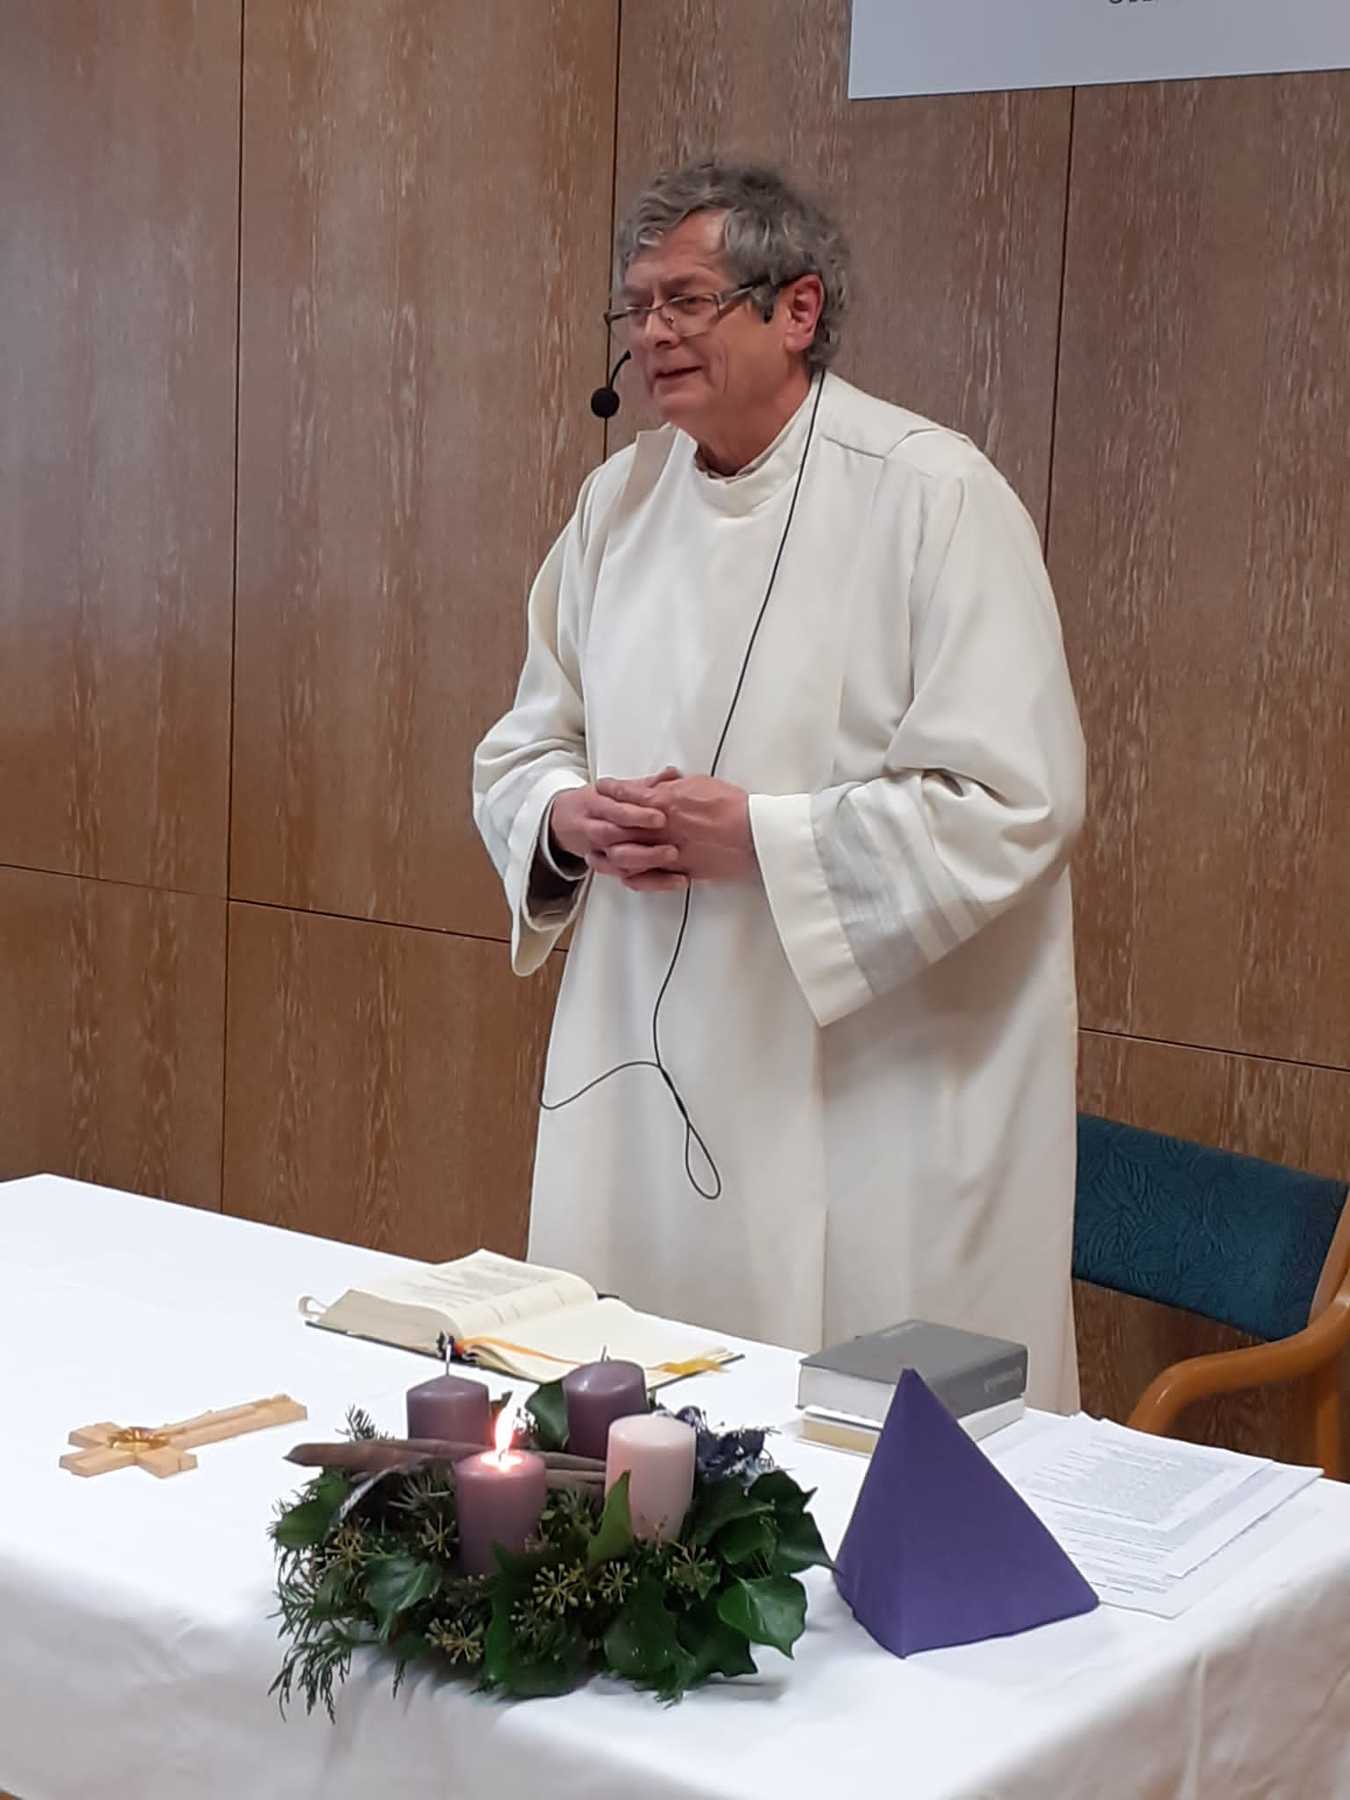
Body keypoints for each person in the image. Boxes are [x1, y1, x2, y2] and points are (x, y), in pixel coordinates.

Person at [473, 160, 1086, 1409]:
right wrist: (566, 818)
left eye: (687, 300)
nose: (653, 333)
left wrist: (760, 838)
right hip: (645, 1085)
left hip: (873, 1087)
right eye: (639, 305)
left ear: (796, 308)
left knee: (851, 1440)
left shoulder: (933, 495)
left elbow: (1016, 802)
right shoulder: (619, 502)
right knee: (642, 1429)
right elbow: (528, 743)